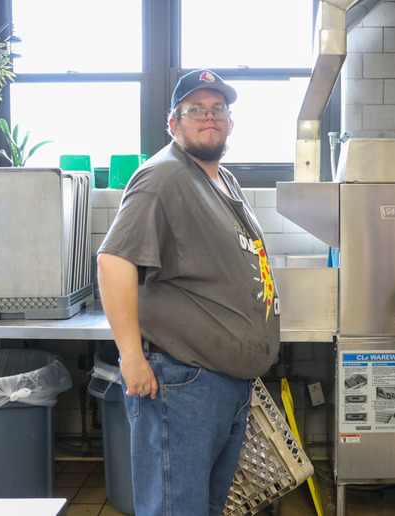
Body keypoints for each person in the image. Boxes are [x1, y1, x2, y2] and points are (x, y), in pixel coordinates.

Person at [96, 69, 281, 516]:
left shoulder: (220, 178)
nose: (209, 117)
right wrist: (130, 357)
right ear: (173, 123)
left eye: (218, 109)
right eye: (195, 110)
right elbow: (113, 260)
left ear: (231, 123)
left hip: (221, 383)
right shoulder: (162, 178)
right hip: (182, 383)